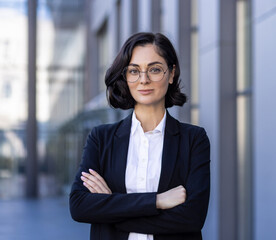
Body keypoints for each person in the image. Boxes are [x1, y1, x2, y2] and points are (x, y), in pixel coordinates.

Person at [69, 32, 210, 240]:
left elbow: (192, 218)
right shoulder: (101, 138)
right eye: (134, 71)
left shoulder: (193, 139)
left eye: (154, 69)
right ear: (125, 77)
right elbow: (79, 206)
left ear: (171, 74)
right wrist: (157, 201)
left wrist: (110, 207)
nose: (143, 80)